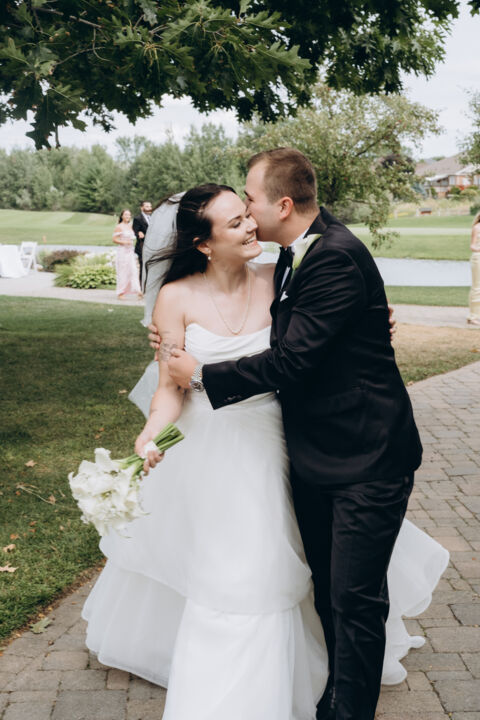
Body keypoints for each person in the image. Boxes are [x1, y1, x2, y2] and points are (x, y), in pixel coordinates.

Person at [83, 182, 449, 720]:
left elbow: (327, 323)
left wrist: (376, 314)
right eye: (235, 222)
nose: (251, 224)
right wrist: (150, 434)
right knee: (232, 569)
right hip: (213, 454)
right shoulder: (175, 297)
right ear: (204, 244)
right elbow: (170, 388)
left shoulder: (281, 275)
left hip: (282, 444)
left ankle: (314, 677)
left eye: (247, 213)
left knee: (303, 564)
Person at [166, 149, 433, 720]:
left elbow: (290, 361)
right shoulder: (291, 255)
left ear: (282, 205)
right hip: (313, 456)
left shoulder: (333, 256)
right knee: (329, 595)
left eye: (250, 201)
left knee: (355, 601)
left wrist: (204, 374)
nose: (247, 211)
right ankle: (333, 694)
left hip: (365, 456)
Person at [112, 209, 142, 300]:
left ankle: (137, 291)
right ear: (122, 216)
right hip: (122, 252)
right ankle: (120, 292)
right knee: (123, 272)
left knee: (133, 270)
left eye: (129, 215)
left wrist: (139, 233)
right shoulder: (119, 226)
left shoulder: (130, 226)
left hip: (130, 252)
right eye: (126, 215)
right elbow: (114, 239)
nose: (127, 216)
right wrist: (124, 242)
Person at [133, 200, 153, 286]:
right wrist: (138, 233)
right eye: (147, 206)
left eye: (150, 206)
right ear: (142, 208)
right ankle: (142, 286)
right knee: (143, 267)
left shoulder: (153, 218)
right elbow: (135, 232)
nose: (149, 208)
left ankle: (150, 284)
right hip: (142, 247)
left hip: (152, 247)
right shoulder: (137, 219)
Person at [468, 211, 480, 326]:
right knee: (477, 287)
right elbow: (472, 246)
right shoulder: (477, 227)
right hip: (478, 258)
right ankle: (473, 317)